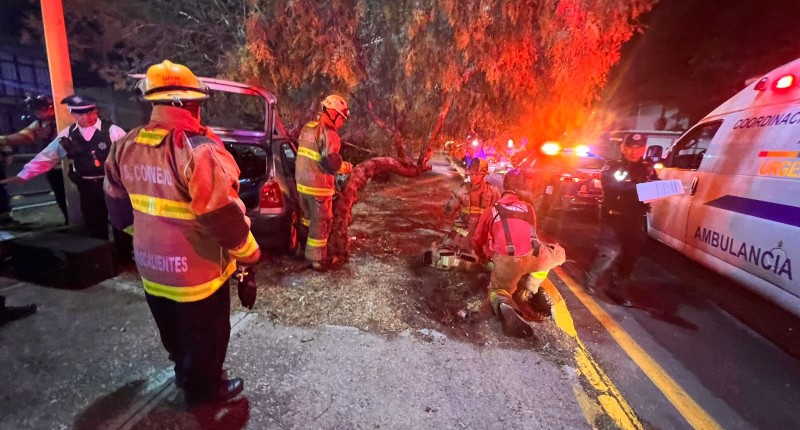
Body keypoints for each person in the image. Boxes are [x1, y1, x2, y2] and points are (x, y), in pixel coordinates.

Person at [104, 60, 261, 405]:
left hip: (150, 268)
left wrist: (149, 238)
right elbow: (221, 214)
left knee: (173, 333)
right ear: (186, 103)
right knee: (207, 338)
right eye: (196, 104)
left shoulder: (125, 146)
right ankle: (204, 393)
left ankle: (185, 373)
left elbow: (117, 212)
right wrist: (250, 254)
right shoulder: (198, 149)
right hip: (196, 275)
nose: (199, 111)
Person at [1, 95, 129, 247]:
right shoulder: (69, 134)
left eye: (89, 112)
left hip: (112, 184)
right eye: (80, 113)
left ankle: (125, 257)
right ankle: (103, 260)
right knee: (94, 223)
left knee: (121, 223)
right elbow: (48, 156)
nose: (86, 117)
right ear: (72, 114)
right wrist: (24, 175)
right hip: (87, 186)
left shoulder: (113, 131)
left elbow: (128, 158)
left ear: (95, 111)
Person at [472, 169, 565, 337]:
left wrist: (481, 257)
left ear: (503, 188)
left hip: (509, 261)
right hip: (535, 256)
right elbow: (530, 235)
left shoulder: (492, 211)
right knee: (556, 254)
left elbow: (477, 240)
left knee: (498, 290)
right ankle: (529, 288)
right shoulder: (529, 208)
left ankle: (506, 303)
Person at [583, 133, 658, 306]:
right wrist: (639, 189)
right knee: (609, 253)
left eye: (638, 148)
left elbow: (655, 185)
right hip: (614, 217)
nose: (634, 151)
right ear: (623, 148)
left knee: (629, 258)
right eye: (630, 147)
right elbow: (612, 186)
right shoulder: (612, 166)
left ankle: (616, 290)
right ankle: (590, 279)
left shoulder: (648, 169)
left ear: (644, 149)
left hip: (636, 219)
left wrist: (660, 190)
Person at [294, 94, 353, 271]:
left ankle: (302, 251)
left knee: (307, 219)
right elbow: (330, 162)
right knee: (321, 223)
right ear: (333, 113)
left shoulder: (308, 127)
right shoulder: (330, 133)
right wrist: (347, 167)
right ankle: (317, 260)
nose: (342, 123)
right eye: (341, 118)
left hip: (301, 184)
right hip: (318, 187)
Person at [0, 94, 68, 224]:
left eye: (40, 109)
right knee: (61, 195)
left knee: (82, 195)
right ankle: (71, 221)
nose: (37, 112)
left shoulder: (64, 120)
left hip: (71, 166)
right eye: (35, 109)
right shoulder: (39, 124)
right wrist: (4, 140)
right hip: (53, 167)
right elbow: (25, 136)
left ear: (51, 108)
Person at [443, 158, 500, 253]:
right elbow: (449, 209)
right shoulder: (462, 188)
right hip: (462, 227)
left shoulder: (493, 190)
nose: (473, 177)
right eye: (471, 174)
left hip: (482, 229)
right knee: (448, 245)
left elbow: (499, 213)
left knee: (485, 252)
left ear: (483, 175)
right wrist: (449, 205)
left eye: (477, 174)